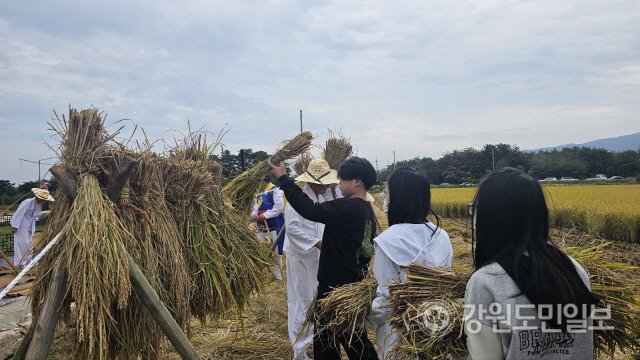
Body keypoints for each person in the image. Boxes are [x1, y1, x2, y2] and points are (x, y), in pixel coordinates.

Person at [464, 167, 599, 359]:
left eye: (477, 208)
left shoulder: (486, 282)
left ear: (491, 216)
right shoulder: (575, 269)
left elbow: (484, 355)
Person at [269, 156, 379, 360]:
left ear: (356, 181)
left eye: (342, 179)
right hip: (351, 282)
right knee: (349, 335)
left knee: (333, 339)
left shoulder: (348, 207)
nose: (338, 184)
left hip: (335, 287)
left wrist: (284, 179)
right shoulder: (366, 209)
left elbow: (311, 210)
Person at [370, 167, 453, 359]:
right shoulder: (441, 236)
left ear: (398, 199)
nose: (385, 199)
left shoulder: (388, 241)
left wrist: (363, 319)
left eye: (387, 194)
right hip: (436, 328)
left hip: (400, 336)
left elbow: (386, 302)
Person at [284, 159, 339, 360]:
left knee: (314, 298)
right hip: (301, 257)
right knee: (302, 301)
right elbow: (292, 229)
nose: (327, 187)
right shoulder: (298, 199)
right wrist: (317, 243)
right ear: (313, 182)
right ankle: (299, 350)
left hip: (317, 256)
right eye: (324, 183)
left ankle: (312, 342)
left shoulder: (323, 197)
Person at [251, 175, 285, 280]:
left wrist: (265, 215)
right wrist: (254, 215)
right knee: (259, 250)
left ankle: (278, 275)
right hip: (261, 226)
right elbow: (253, 206)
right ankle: (260, 275)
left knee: (275, 251)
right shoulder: (258, 192)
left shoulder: (275, 190)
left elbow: (279, 208)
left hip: (273, 225)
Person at [10, 188, 55, 267]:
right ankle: (20, 263)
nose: (43, 201)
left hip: (28, 225)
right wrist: (15, 226)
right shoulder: (28, 202)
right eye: (43, 199)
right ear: (38, 197)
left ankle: (28, 261)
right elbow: (18, 213)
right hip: (21, 225)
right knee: (21, 244)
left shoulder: (36, 205)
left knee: (29, 244)